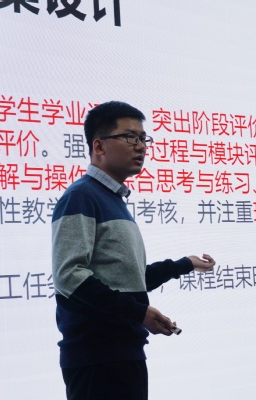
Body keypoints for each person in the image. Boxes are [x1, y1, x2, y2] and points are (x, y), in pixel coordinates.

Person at [51, 101, 215, 400]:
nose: (141, 146)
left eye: (143, 138)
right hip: (97, 359)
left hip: (123, 353)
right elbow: (69, 276)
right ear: (98, 146)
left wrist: (184, 265)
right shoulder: (81, 197)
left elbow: (128, 279)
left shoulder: (112, 200)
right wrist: (138, 312)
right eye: (129, 137)